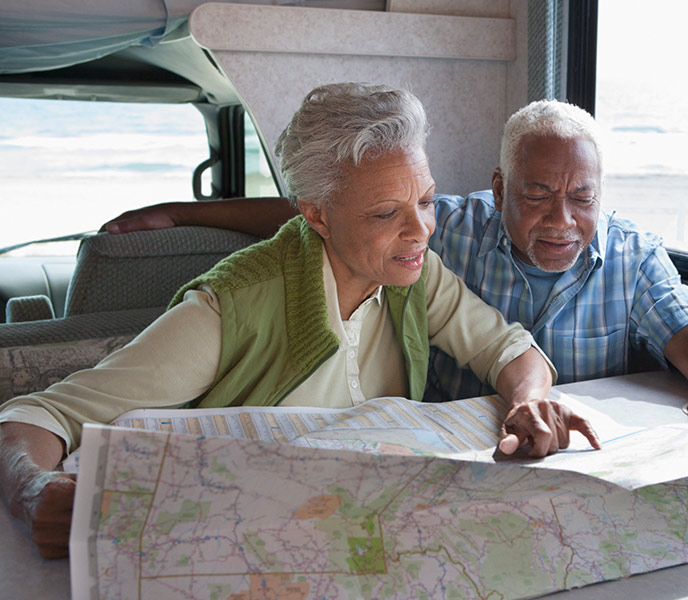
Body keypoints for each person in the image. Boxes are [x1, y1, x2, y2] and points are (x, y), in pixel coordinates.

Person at [0, 84, 601, 559]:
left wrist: (530, 400)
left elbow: (509, 350)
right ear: (316, 214)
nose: (421, 229)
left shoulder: (418, 276)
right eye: (387, 212)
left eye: (425, 200)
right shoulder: (226, 310)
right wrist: (31, 489)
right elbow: (34, 415)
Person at [103, 99, 688, 417]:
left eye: (582, 197)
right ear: (499, 189)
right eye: (537, 194)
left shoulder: (632, 256)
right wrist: (181, 213)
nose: (563, 220)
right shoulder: (446, 229)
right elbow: (333, 215)